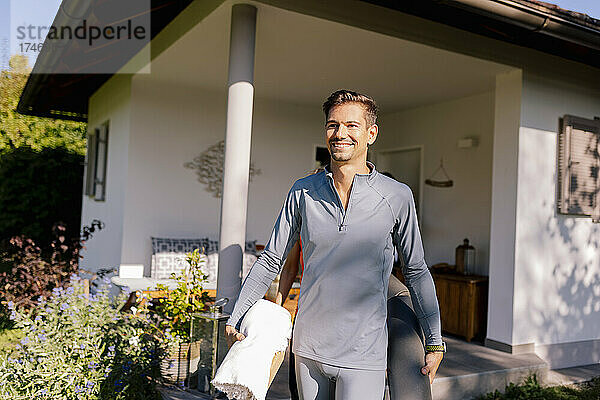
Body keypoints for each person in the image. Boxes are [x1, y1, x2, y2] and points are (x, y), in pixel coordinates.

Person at [226, 89, 444, 399]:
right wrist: (238, 314)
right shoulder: (303, 191)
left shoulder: (396, 195)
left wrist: (434, 340)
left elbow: (416, 270)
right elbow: (271, 259)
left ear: (371, 134)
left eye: (351, 125)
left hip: (363, 354)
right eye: (332, 125)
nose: (340, 133)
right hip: (308, 349)